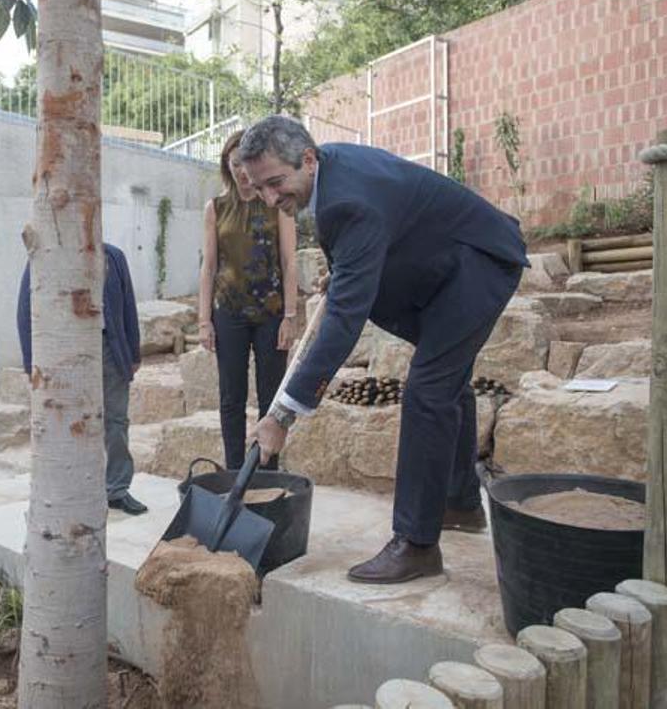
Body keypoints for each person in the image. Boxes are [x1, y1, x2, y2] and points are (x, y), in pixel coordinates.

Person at [240, 116, 528, 584]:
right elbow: (382, 230)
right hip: (448, 263)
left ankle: (417, 544)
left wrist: (282, 416)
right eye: (259, 189)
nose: (271, 199)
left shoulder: (346, 199)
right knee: (446, 384)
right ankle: (459, 503)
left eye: (276, 183)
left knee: (428, 390)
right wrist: (348, 269)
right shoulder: (332, 171)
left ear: (308, 159)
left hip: (477, 264)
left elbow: (343, 322)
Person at [17, 243, 147, 515]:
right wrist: (32, 362)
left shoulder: (113, 257)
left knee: (116, 420)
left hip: (110, 349)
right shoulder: (47, 255)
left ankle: (117, 489)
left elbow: (128, 306)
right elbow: (25, 310)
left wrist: (133, 353)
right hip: (65, 353)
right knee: (67, 422)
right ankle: (69, 489)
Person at [199, 129, 298, 470]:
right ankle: (234, 473)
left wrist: (290, 316)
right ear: (227, 165)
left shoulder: (277, 204)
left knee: (272, 400)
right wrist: (203, 321)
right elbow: (209, 266)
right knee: (231, 398)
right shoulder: (215, 207)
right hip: (228, 313)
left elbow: (289, 260)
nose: (242, 170)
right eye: (235, 163)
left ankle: (267, 474)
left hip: (272, 313)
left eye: (246, 162)